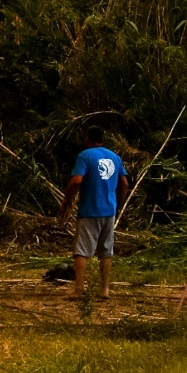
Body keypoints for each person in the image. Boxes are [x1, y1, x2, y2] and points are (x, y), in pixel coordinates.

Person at [59, 126, 128, 299]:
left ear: (87, 138)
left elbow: (76, 181)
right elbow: (125, 184)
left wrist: (67, 200)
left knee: (81, 250)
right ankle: (104, 290)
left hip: (90, 210)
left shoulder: (85, 156)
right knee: (106, 251)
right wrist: (119, 205)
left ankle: (79, 289)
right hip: (109, 211)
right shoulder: (115, 157)